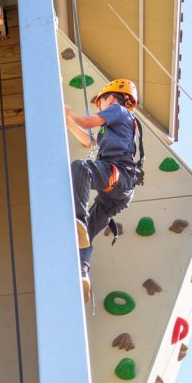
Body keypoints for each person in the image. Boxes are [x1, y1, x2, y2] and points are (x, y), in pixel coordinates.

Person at [64, 78, 143, 300]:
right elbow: (90, 140)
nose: (100, 109)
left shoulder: (117, 109)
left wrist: (73, 114)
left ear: (109, 98)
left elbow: (89, 122)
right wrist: (70, 123)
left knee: (81, 168)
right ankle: (82, 273)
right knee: (85, 235)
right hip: (119, 193)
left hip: (119, 174)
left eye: (100, 104)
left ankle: (78, 219)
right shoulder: (120, 125)